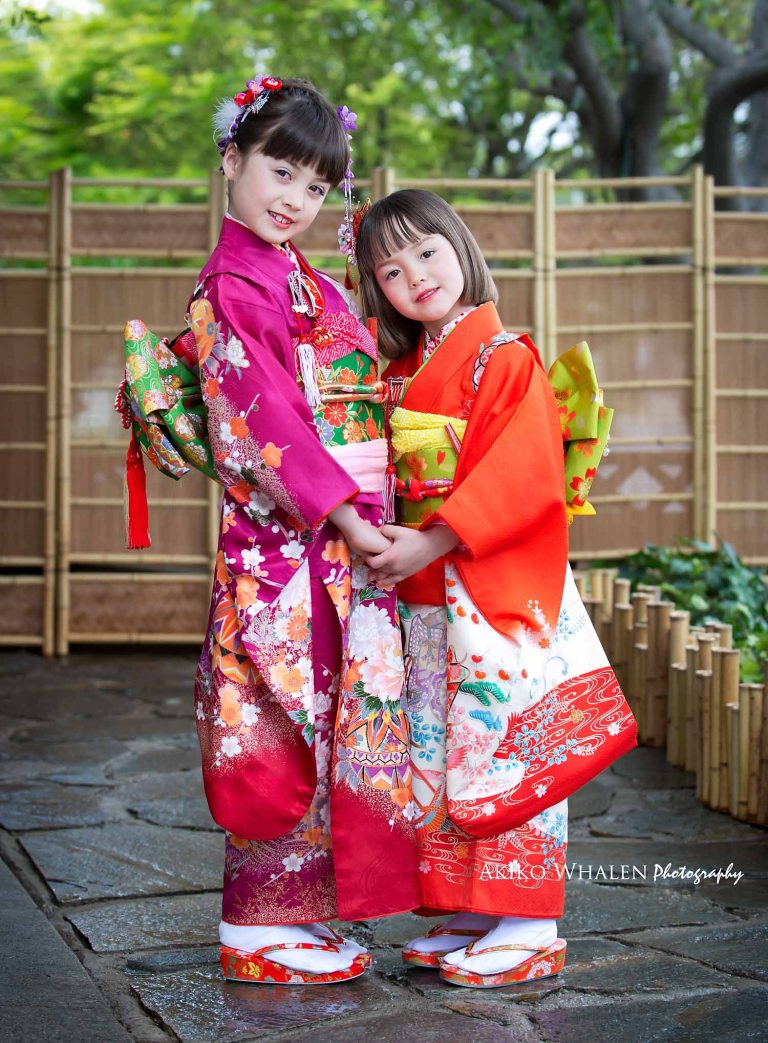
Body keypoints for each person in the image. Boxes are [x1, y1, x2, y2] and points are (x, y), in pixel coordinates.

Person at [356, 189, 636, 989]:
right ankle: (475, 906)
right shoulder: (403, 369)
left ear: (461, 248)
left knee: (502, 746)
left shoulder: (504, 356)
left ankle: (531, 920)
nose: (416, 276)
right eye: (392, 270)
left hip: (487, 584)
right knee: (441, 752)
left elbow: (524, 474)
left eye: (427, 252)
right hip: (426, 590)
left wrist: (432, 537)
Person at [191, 77, 420, 986]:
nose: (294, 198)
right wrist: (348, 516)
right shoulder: (233, 283)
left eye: (316, 186)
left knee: (327, 720)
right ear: (232, 160)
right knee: (276, 720)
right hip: (287, 544)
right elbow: (266, 420)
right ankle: (254, 925)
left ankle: (303, 910)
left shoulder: (295, 274)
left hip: (332, 537)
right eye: (279, 172)